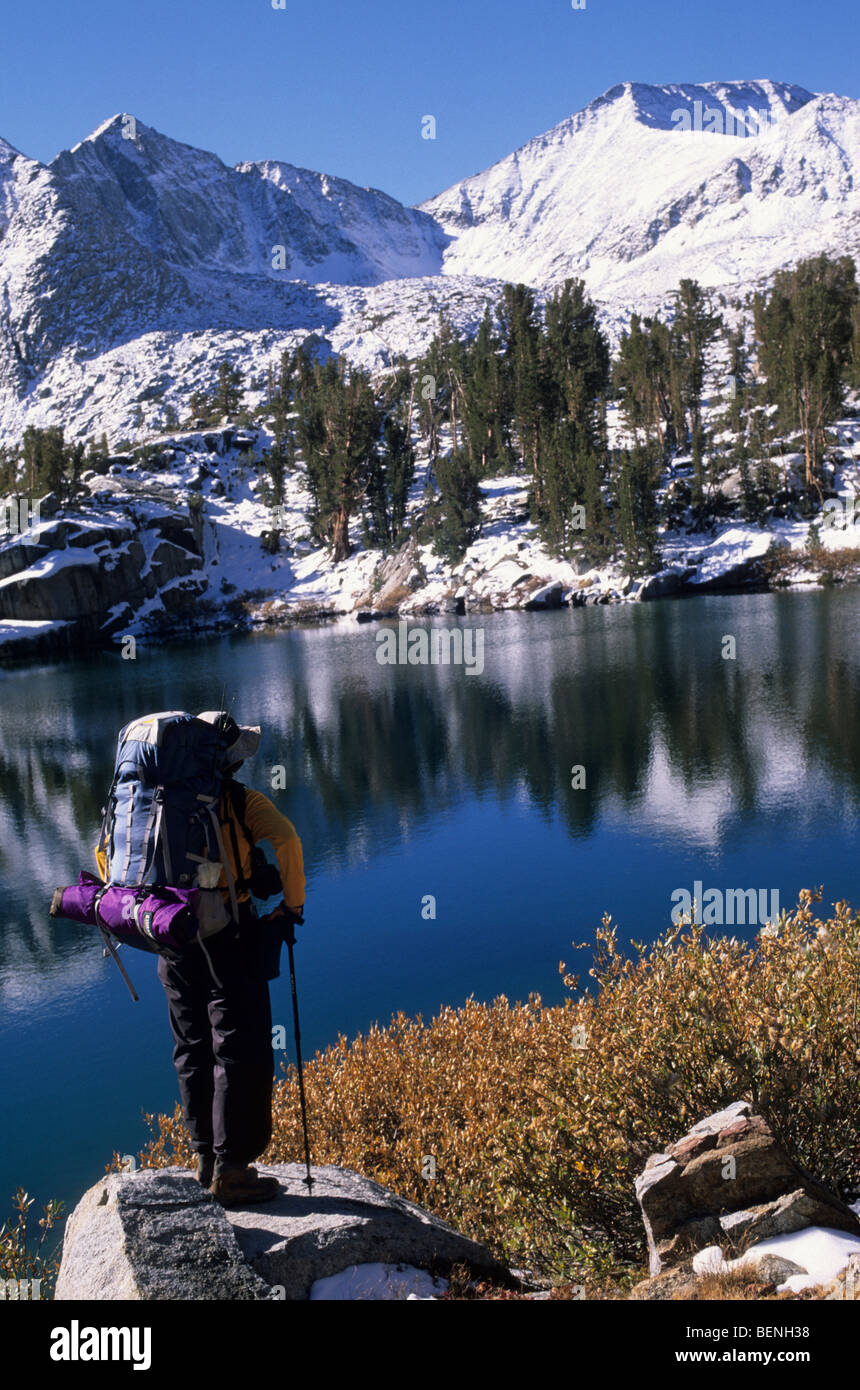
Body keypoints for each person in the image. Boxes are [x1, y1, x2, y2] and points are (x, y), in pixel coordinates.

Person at [157, 711, 305, 1206]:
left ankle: (205, 1159)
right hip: (227, 935)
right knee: (238, 1049)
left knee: (192, 1045)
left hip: (171, 934)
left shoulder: (154, 802)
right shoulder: (240, 800)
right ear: (229, 762)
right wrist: (292, 906)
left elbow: (108, 855)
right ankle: (233, 1169)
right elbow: (287, 840)